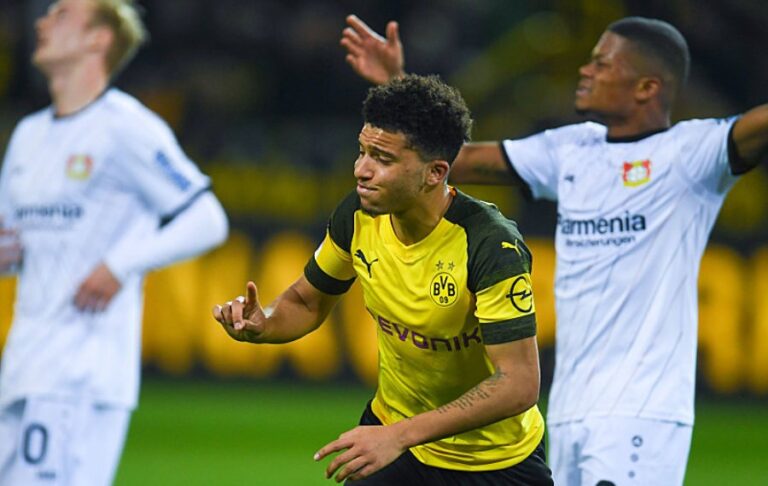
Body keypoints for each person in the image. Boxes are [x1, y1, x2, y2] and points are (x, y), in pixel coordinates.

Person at [340, 14, 768, 486]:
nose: (585, 70)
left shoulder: (692, 153)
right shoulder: (572, 150)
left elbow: (757, 127)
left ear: (647, 87)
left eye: (603, 64)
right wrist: (398, 89)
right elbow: (439, 162)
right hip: (568, 407)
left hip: (641, 408)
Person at [213, 74, 553, 485]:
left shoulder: (489, 245)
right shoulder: (359, 214)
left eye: (383, 159)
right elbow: (307, 301)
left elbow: (518, 383)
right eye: (362, 152)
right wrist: (264, 323)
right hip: (394, 433)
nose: (361, 170)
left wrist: (399, 436)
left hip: (493, 460)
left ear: (435, 172)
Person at [0, 1, 229, 484]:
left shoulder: (126, 126)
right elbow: (11, 243)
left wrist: (121, 264)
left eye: (61, 14)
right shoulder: (27, 135)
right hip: (22, 366)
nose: (41, 22)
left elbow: (207, 218)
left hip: (83, 373)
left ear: (98, 38)